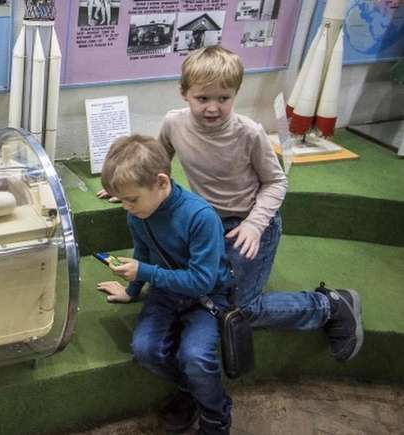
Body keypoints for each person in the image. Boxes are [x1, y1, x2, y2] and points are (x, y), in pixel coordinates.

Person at [98, 45, 364, 363]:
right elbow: (158, 163)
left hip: (247, 224)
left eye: (223, 98)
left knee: (240, 307)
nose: (213, 107)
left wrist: (254, 225)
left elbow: (277, 182)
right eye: (203, 98)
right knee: (206, 291)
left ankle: (330, 305)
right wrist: (131, 188)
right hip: (207, 221)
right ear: (184, 93)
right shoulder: (173, 123)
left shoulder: (249, 133)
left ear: (236, 94)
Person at [96, 134, 234, 434]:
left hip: (207, 298)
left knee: (196, 357)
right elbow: (143, 250)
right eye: (123, 200)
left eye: (132, 199)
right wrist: (131, 290)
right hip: (166, 292)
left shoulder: (200, 217)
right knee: (145, 349)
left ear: (161, 182)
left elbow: (201, 281)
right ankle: (194, 392)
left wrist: (146, 273)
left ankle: (216, 415)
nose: (127, 207)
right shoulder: (138, 213)